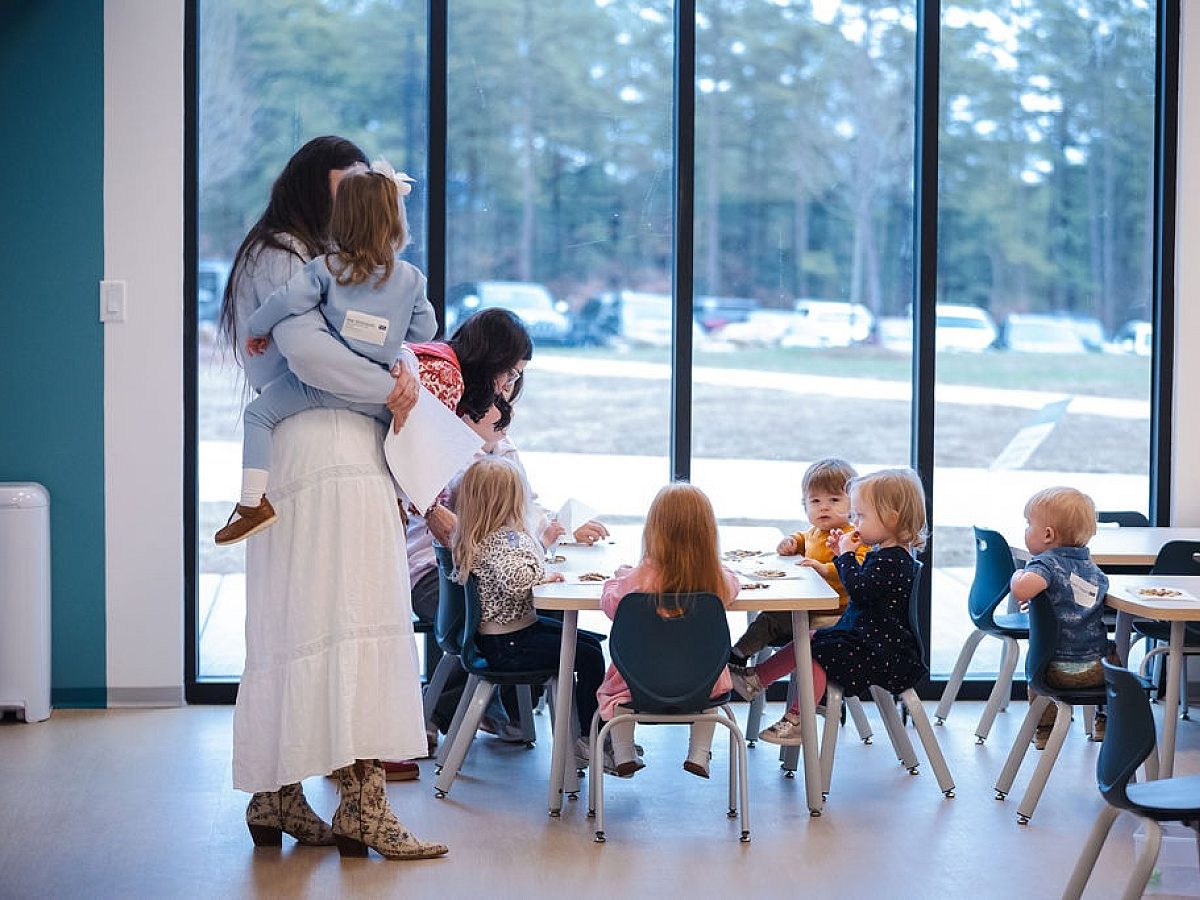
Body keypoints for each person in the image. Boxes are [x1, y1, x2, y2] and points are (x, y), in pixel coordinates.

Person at [224, 136, 446, 860]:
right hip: (325, 452)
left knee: (312, 616)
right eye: (345, 183)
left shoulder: (325, 265)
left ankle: (279, 792)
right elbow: (311, 355)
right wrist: (395, 389)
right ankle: (359, 806)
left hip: (325, 450)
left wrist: (401, 374)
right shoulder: (288, 257)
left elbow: (388, 342)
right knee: (347, 613)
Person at [215, 163, 436, 545]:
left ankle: (252, 505)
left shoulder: (325, 270)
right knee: (402, 433)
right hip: (375, 398)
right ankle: (400, 503)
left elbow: (284, 301)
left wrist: (256, 329)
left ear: (341, 220)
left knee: (258, 414)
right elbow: (425, 332)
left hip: (318, 389)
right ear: (395, 222)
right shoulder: (411, 279)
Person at [731, 468, 928, 746]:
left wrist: (845, 556)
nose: (855, 523)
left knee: (815, 650)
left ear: (892, 518)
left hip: (881, 653)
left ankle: (798, 720)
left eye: (861, 516)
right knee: (810, 639)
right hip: (867, 640)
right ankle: (756, 680)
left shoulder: (892, 560)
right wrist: (841, 555)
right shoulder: (885, 553)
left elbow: (859, 591)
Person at [449, 456, 606, 764]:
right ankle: (589, 738)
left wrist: (539, 553)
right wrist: (541, 574)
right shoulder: (504, 538)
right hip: (509, 644)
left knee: (587, 643)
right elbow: (516, 579)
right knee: (589, 655)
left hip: (505, 636)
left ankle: (588, 734)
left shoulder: (481, 536)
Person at [597, 483, 741, 779]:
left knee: (618, 689)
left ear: (653, 530)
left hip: (638, 684)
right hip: (701, 685)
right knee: (711, 687)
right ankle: (699, 754)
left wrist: (617, 579)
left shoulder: (639, 578)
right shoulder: (715, 579)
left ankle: (623, 753)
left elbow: (612, 605)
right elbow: (733, 586)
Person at [729, 458, 867, 665]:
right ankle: (740, 655)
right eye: (815, 501)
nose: (824, 507)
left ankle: (737, 656)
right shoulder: (814, 532)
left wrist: (824, 569)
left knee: (771, 618)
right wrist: (791, 542)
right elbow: (803, 539)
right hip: (809, 603)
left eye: (834, 500)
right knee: (771, 614)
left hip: (835, 611)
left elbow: (858, 568)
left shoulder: (853, 537)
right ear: (805, 505)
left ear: (853, 504)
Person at [1009, 486, 1113, 748]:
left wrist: (1017, 575)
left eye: (1028, 524)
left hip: (1055, 671)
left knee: (1037, 666)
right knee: (1114, 656)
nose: (1025, 530)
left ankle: (1045, 731)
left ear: (1047, 535)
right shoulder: (1093, 569)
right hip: (1096, 671)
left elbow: (1022, 589)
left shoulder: (1045, 564)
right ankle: (1105, 721)